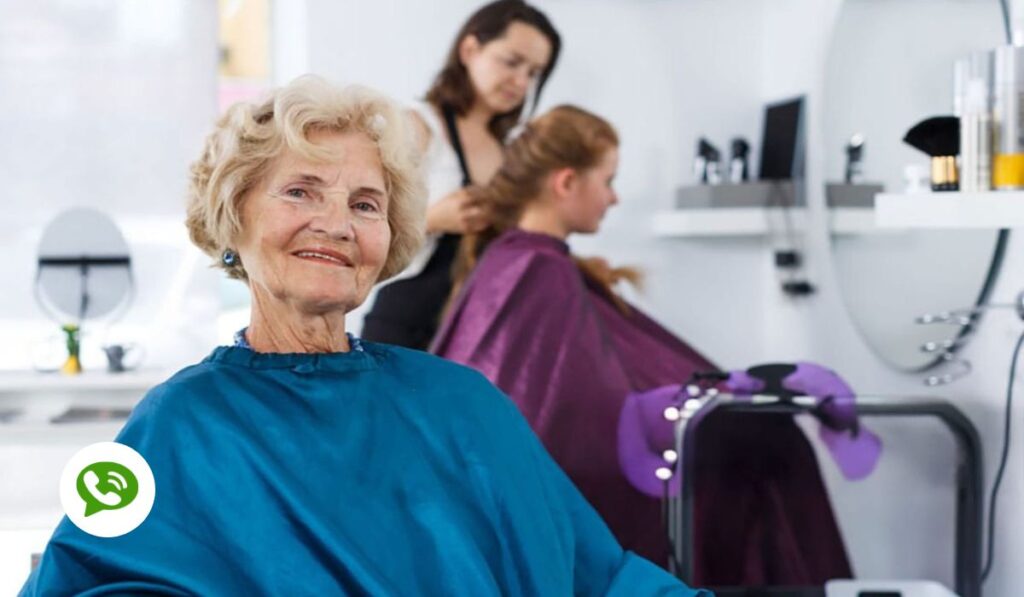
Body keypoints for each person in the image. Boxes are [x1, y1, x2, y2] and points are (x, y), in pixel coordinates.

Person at [19, 77, 706, 596]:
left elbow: (602, 575)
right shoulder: (176, 422)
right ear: (234, 217)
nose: (338, 224)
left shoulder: (461, 401)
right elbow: (82, 578)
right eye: (300, 191)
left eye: (365, 203)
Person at [431, 105, 853, 586]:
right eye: (608, 180)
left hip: (548, 470)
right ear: (566, 182)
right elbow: (578, 417)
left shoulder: (522, 260)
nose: (613, 197)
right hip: (569, 479)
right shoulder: (535, 268)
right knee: (770, 445)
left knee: (763, 433)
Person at [359, 0, 560, 349]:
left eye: (533, 73)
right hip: (407, 328)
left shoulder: (510, 152)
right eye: (512, 62)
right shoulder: (417, 126)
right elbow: (361, 227)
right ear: (469, 50)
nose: (521, 82)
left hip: (475, 336)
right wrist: (434, 220)